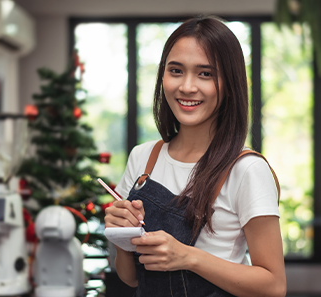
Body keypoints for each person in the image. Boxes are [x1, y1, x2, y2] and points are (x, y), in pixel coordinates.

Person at [104, 15, 286, 297]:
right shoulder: (143, 159)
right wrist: (120, 235)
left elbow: (274, 286)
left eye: (205, 74)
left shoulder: (246, 170)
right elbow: (130, 278)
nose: (187, 87)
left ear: (229, 83)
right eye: (176, 70)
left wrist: (188, 257)